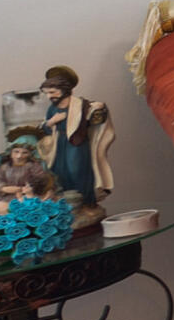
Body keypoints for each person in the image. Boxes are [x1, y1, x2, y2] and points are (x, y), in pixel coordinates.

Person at [35, 65, 115, 226]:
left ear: (64, 89)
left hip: (76, 143)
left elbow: (94, 115)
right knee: (59, 172)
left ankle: (87, 202)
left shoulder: (80, 105)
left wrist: (98, 109)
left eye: (52, 92)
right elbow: (46, 128)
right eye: (47, 93)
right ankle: (68, 205)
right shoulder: (52, 109)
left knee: (77, 170)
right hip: (59, 144)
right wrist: (52, 121)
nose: (50, 96)